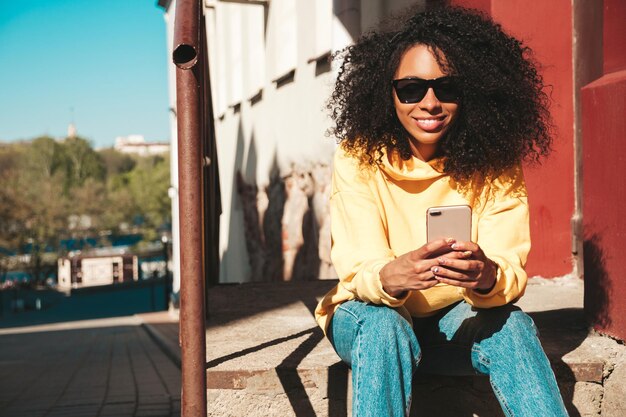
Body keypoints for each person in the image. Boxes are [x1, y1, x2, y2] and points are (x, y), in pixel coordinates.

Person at [314, 5, 568, 417]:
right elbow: (357, 267)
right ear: (388, 93)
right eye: (411, 89)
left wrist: (487, 277)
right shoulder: (358, 156)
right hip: (372, 320)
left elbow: (508, 267)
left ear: (471, 93)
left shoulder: (495, 159)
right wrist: (391, 276)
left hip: (457, 321)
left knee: (514, 327)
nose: (430, 103)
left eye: (447, 88)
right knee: (383, 326)